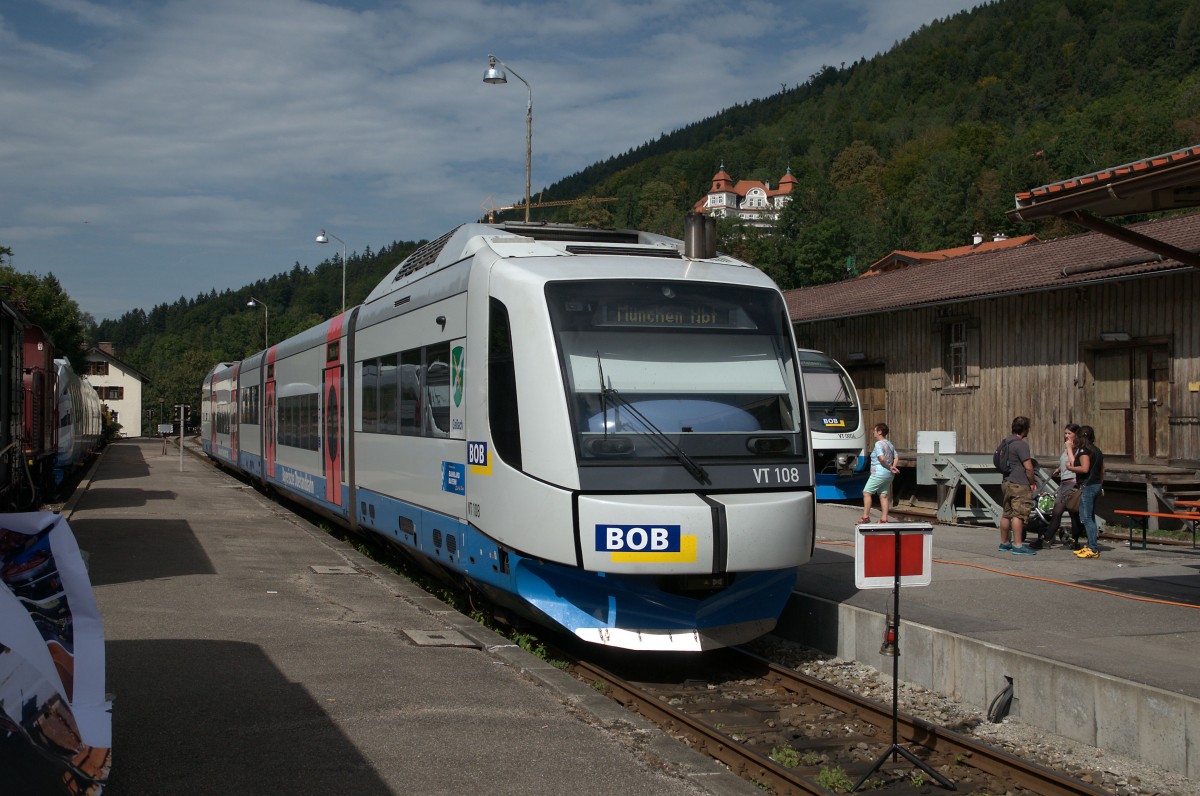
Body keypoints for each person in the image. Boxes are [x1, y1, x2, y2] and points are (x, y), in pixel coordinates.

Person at [999, 416, 1037, 555]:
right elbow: (1028, 468)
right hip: (1019, 483)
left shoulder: (1006, 442)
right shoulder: (1021, 445)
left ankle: (1004, 543)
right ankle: (1018, 545)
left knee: (1006, 513)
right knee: (1018, 514)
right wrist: (1032, 482)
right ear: (1025, 429)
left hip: (1007, 482)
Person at [1041, 423, 1083, 549]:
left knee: (1069, 512)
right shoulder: (1067, 448)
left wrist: (1070, 448)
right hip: (1064, 482)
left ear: (1076, 435)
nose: (1066, 436)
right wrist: (1060, 468)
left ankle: (1052, 539)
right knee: (1057, 512)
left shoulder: (1078, 449)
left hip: (1073, 483)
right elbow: (1066, 461)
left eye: (1069, 433)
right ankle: (1048, 539)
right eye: (1065, 433)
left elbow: (1074, 463)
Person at [1070, 425, 1105, 559]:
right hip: (1095, 484)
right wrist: (1100, 483)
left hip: (1088, 486)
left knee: (1086, 518)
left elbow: (1084, 469)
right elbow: (1102, 469)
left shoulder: (1084, 451)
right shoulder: (1097, 450)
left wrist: (1071, 468)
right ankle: (1091, 544)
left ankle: (1093, 548)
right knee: (1090, 517)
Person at [859, 423, 900, 523]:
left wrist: (889, 467)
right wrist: (892, 467)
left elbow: (881, 458)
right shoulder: (889, 444)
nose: (873, 432)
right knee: (883, 495)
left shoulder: (878, 444)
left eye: (875, 430)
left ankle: (865, 517)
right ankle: (884, 519)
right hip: (889, 475)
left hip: (878, 473)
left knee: (867, 493)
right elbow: (896, 457)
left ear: (880, 432)